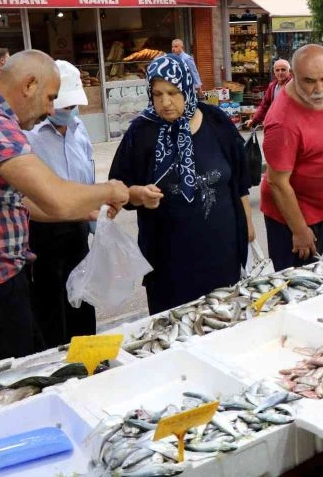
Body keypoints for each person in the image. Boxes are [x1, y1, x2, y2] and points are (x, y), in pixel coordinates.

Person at [0, 50, 129, 367]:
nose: (49, 110)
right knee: (16, 376)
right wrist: (111, 190)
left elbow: (22, 200)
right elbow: (54, 196)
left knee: (32, 357)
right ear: (29, 84)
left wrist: (83, 211)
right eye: (49, 98)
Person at [109, 54, 254, 315]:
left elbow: (239, 180)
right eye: (157, 94)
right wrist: (138, 195)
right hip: (169, 262)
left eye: (173, 92)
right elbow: (118, 188)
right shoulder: (141, 133)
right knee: (174, 328)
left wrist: (248, 226)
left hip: (222, 252)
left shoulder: (216, 121)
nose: (165, 102)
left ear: (187, 88)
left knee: (221, 323)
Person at [24, 60, 97, 348]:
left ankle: (87, 363)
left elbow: (88, 174)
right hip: (42, 234)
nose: (68, 112)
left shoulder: (79, 128)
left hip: (78, 228)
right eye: (63, 106)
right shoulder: (29, 134)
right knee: (51, 313)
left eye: (72, 106)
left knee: (81, 305)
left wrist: (95, 219)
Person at [261, 44, 323, 270]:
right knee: (297, 287)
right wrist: (299, 230)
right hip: (292, 219)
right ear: (294, 76)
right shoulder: (282, 121)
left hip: (318, 210)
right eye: (309, 81)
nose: (320, 88)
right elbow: (276, 182)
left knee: (316, 273)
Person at [244, 59, 291, 129]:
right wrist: (254, 120)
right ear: (274, 72)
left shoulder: (294, 86)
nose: (280, 73)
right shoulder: (272, 86)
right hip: (276, 124)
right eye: (277, 70)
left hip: (290, 125)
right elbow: (264, 105)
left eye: (283, 70)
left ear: (289, 71)